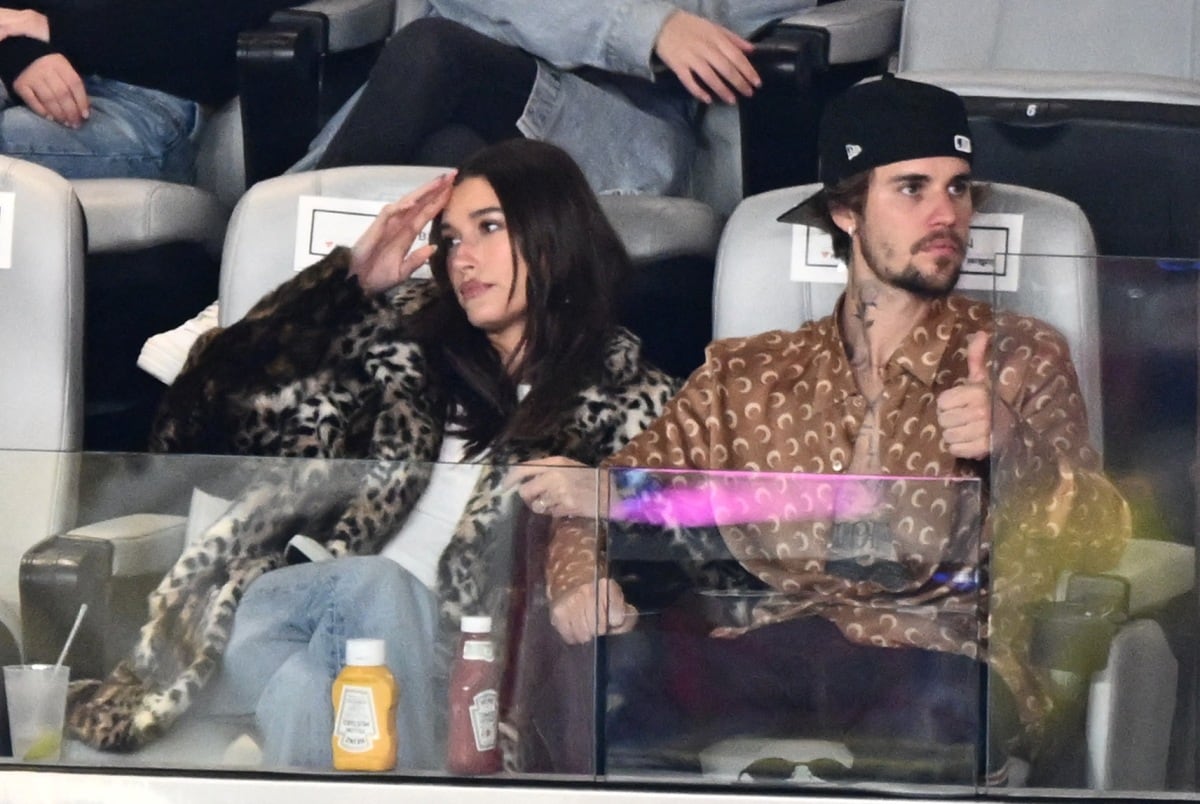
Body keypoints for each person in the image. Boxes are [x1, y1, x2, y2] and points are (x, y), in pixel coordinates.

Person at [541, 75, 1132, 780]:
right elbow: (599, 497)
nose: (945, 213)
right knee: (623, 678)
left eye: (959, 187)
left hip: (938, 656)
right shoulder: (750, 373)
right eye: (913, 188)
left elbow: (1102, 533)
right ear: (846, 214)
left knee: (938, 710)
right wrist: (579, 581)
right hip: (770, 644)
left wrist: (1011, 446)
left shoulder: (1020, 356)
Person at [65, 139, 680, 768]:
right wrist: (348, 286)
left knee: (310, 696)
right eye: (449, 239)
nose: (462, 257)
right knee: (378, 585)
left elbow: (722, 542)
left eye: (488, 228)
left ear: (555, 232)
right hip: (283, 608)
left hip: (447, 674)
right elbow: (196, 430)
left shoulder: (625, 394)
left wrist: (616, 494)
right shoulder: (397, 338)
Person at [308, 0, 817, 195]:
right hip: (442, 101)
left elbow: (720, 28)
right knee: (450, 152)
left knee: (434, 53)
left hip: (612, 127)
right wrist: (645, 24)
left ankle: (288, 297)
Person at [0, 0, 292, 181]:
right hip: (33, 69)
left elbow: (215, 15)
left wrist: (58, 30)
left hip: (154, 100)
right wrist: (24, 54)